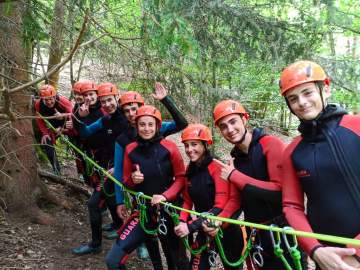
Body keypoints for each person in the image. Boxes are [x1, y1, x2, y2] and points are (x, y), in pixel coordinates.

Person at [279, 60, 360, 270]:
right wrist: (316, 250)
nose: (302, 102)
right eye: (293, 99)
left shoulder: (356, 127)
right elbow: (292, 206)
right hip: (327, 258)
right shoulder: (292, 152)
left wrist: (354, 253)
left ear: (325, 88)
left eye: (307, 93)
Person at [208, 99, 307, 269]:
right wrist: (218, 220)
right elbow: (236, 200)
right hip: (257, 234)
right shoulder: (235, 161)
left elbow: (280, 192)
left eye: (233, 122)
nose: (230, 129)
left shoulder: (270, 145)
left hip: (284, 233)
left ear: (244, 119)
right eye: (223, 126)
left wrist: (236, 176)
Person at [105, 105, 188, 270]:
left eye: (151, 124)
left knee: (176, 260)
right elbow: (126, 181)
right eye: (142, 124)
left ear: (158, 126)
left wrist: (165, 196)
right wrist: (133, 180)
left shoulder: (169, 147)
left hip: (169, 211)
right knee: (113, 260)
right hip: (142, 212)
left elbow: (181, 178)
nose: (147, 128)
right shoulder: (130, 149)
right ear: (136, 126)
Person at [151, 123, 245, 270]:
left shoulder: (217, 167)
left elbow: (219, 207)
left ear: (205, 145)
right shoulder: (191, 169)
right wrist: (182, 220)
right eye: (186, 145)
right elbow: (188, 200)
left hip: (227, 231)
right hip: (204, 229)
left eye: (194, 144)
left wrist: (190, 226)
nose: (189, 150)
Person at [72, 82, 127, 255]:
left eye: (109, 100)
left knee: (132, 206)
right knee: (94, 203)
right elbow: (86, 132)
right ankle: (96, 244)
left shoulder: (128, 119)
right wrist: (79, 117)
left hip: (129, 172)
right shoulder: (106, 119)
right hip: (109, 170)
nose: (107, 104)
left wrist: (119, 168)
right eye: (103, 102)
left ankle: (138, 243)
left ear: (117, 98)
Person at [34, 84, 74, 175]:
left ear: (55, 96)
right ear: (42, 98)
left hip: (68, 126)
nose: (49, 102)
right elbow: (39, 119)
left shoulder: (62, 101)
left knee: (77, 144)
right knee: (47, 143)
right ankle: (57, 171)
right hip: (53, 128)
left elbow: (73, 114)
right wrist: (45, 133)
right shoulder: (38, 104)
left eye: (51, 99)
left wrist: (62, 119)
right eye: (46, 99)